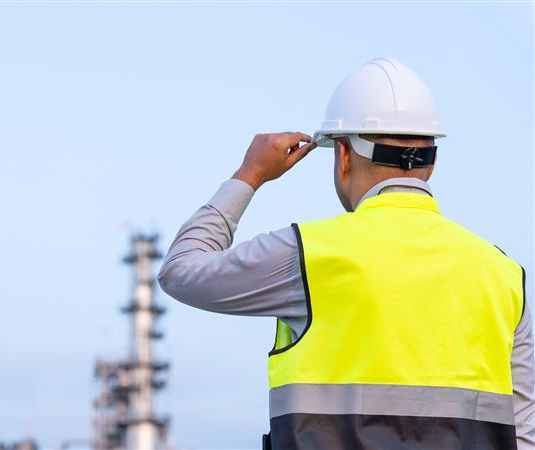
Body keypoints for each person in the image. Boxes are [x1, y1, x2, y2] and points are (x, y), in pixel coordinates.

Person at [157, 58, 534, 450]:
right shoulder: (505, 274)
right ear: (432, 162)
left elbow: (180, 271)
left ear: (344, 157)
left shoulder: (307, 253)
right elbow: (523, 435)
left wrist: (249, 175)